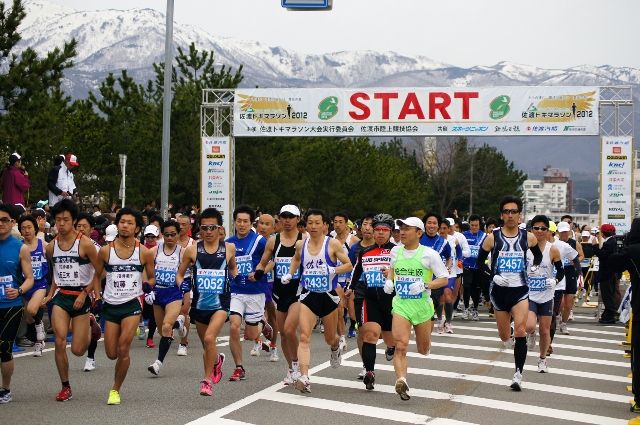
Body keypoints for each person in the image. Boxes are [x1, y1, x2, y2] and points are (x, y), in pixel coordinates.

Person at [283, 209, 353, 393]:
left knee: (330, 338)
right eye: (310, 223)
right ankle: (304, 377)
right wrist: (290, 274)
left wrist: (333, 271)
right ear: (306, 225)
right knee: (304, 336)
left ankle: (336, 346)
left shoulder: (333, 244)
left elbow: (348, 265)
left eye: (317, 223)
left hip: (328, 296)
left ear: (324, 226)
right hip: (308, 295)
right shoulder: (301, 244)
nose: (313, 226)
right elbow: (296, 259)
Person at [477, 195, 543, 391]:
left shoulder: (528, 237)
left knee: (521, 330)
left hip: (520, 291)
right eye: (506, 212)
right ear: (501, 215)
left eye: (514, 211)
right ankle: (509, 338)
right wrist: (493, 276)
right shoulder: (492, 237)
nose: (510, 215)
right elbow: (479, 264)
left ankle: (518, 375)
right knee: (505, 336)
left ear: (520, 215)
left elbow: (537, 256)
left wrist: (533, 268)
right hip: (498, 292)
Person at [92, 207, 155, 405]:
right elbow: (96, 276)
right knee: (112, 353)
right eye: (122, 222)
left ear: (137, 228)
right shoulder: (105, 251)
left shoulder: (143, 252)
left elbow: (152, 277)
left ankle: (115, 390)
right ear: (117, 225)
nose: (125, 225)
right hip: (110, 304)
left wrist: (147, 286)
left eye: (130, 223)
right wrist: (97, 295)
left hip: (132, 303)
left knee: (123, 347)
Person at [383, 216, 448, 400]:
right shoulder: (396, 251)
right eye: (401, 228)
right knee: (401, 346)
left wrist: (426, 285)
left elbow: (444, 278)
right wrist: (389, 280)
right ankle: (401, 380)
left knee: (422, 349)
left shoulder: (429, 254)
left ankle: (427, 341)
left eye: (407, 228)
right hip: (401, 305)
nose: (402, 231)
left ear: (419, 233)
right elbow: (393, 268)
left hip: (422, 307)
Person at [43, 199, 102, 401]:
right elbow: (56, 274)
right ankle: (65, 386)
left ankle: (89, 325)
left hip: (81, 296)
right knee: (59, 341)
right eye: (58, 220)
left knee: (77, 350)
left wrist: (86, 293)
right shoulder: (51, 247)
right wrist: (51, 294)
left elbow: (99, 271)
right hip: (62, 297)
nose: (61, 224)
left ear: (73, 221)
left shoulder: (85, 244)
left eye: (65, 220)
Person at [177, 207, 238, 396]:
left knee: (211, 338)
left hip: (221, 304)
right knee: (207, 346)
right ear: (199, 230)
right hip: (200, 305)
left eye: (213, 228)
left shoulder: (229, 248)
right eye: (204, 228)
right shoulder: (191, 251)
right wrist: (183, 286)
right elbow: (179, 275)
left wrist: (239, 278)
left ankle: (206, 381)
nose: (209, 232)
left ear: (220, 229)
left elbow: (233, 269)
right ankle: (217, 360)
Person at [256, 204, 305, 384]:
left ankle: (300, 365)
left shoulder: (304, 239)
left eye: (291, 217)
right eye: (284, 216)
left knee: (290, 329)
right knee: (283, 333)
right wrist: (258, 272)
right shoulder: (273, 241)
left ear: (298, 219)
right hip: (279, 292)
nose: (287, 220)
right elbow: (264, 262)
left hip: (298, 292)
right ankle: (291, 367)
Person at [349, 213, 396, 390]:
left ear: (391, 232)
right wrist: (350, 288)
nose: (380, 233)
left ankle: (391, 347)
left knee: (391, 338)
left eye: (384, 230)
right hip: (370, 299)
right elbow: (356, 270)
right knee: (370, 334)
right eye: (377, 230)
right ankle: (370, 372)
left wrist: (392, 275)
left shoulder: (397, 251)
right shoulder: (365, 252)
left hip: (392, 300)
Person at [226, 205, 272, 381]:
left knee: (251, 335)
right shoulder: (229, 243)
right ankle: (239, 367)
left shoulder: (260, 241)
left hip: (255, 292)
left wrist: (260, 272)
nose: (242, 224)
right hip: (236, 292)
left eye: (245, 221)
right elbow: (229, 266)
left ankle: (262, 323)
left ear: (251, 222)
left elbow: (272, 261)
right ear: (235, 222)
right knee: (234, 326)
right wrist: (234, 275)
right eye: (239, 221)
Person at [0, 204, 34, 403]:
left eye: (5, 220)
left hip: (10, 305)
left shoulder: (21, 248)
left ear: (12, 222)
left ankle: (5, 388)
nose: (1, 223)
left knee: (4, 347)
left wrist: (19, 290)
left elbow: (29, 278)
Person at [146, 220, 186, 376]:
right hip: (158, 293)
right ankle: (181, 326)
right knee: (163, 332)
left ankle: (158, 363)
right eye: (167, 234)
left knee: (166, 326)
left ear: (178, 234)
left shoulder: (183, 252)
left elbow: (184, 274)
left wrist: (184, 287)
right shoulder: (153, 252)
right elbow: (149, 275)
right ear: (162, 234)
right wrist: (148, 289)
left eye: (173, 234)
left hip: (174, 293)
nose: (170, 237)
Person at [524, 215, 564, 373]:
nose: (540, 231)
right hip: (529, 294)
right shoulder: (525, 248)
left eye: (543, 228)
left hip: (547, 295)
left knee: (545, 330)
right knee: (529, 325)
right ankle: (531, 334)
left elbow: (561, 270)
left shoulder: (552, 249)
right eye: (536, 228)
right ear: (531, 229)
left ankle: (542, 359)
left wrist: (555, 280)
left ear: (548, 231)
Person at [608, 218, 640, 413]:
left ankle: (638, 398)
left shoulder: (632, 250)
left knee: (638, 356)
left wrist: (624, 246)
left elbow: (613, 265)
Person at [17, 215, 48, 357]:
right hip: (24, 285)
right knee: (28, 316)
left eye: (29, 227)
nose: (26, 230)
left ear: (35, 228)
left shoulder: (44, 245)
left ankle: (38, 340)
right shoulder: (19, 247)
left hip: (39, 284)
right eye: (23, 228)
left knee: (31, 308)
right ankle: (39, 328)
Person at [592, 223, 619, 324]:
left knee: (607, 295)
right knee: (609, 294)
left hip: (607, 273)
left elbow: (602, 255)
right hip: (611, 272)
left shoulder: (609, 243)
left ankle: (610, 315)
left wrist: (595, 245)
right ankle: (608, 314)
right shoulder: (613, 241)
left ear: (603, 233)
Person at [462, 214, 485, 320]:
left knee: (476, 289)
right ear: (469, 225)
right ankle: (466, 308)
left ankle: (475, 309)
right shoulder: (464, 235)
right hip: (466, 266)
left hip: (478, 266)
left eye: (476, 225)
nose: (474, 227)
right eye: (472, 225)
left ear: (479, 225)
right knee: (466, 286)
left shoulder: (484, 236)